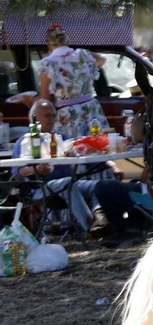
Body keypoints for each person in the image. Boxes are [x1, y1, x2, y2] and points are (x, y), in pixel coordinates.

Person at [12, 100, 113, 234]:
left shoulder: (61, 138)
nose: (52, 119)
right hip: (42, 189)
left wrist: (112, 164)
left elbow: (88, 159)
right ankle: (91, 229)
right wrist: (35, 169)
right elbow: (17, 172)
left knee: (101, 185)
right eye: (47, 115)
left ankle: (102, 220)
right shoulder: (25, 141)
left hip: (70, 184)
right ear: (34, 118)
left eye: (54, 115)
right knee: (68, 183)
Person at [34, 24, 111, 139]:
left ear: (49, 45)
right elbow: (102, 60)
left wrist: (31, 101)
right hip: (91, 108)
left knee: (71, 148)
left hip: (68, 112)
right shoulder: (82, 55)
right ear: (67, 41)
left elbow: (45, 98)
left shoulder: (48, 63)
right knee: (97, 144)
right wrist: (85, 72)